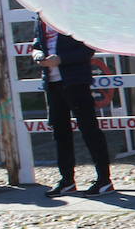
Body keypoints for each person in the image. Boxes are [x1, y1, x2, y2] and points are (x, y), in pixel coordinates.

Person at [32, 20, 115, 197]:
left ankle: (104, 179)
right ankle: (67, 180)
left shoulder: (68, 15)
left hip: (75, 80)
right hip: (52, 83)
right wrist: (38, 55)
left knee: (89, 129)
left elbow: (87, 48)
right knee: (60, 132)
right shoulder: (40, 18)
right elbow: (37, 44)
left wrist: (61, 59)